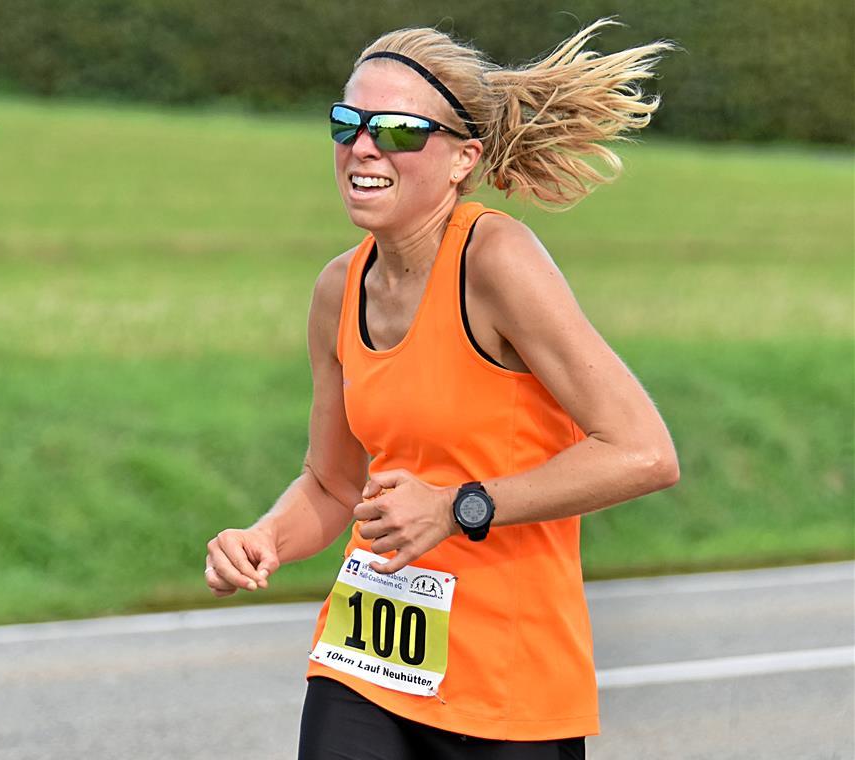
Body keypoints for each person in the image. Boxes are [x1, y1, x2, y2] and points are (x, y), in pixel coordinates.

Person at [205, 18, 679, 760]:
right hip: (367, 663)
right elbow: (332, 486)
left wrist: (459, 508)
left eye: (397, 131)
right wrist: (263, 537)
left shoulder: (496, 261)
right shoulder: (339, 288)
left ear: (463, 158)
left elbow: (645, 452)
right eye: (348, 123)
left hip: (508, 684)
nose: (363, 146)